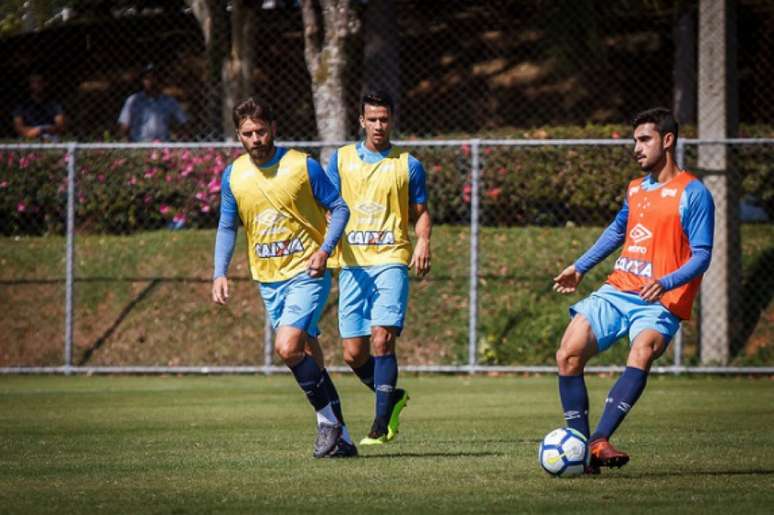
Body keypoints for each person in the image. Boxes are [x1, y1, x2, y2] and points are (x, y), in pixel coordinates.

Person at [552, 107, 715, 473]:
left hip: (659, 300)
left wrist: (666, 281)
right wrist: (579, 266)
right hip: (618, 289)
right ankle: (583, 451)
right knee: (568, 353)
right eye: (635, 140)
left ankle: (599, 440)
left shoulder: (694, 193)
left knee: (642, 351)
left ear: (667, 141)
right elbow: (616, 231)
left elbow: (702, 255)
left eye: (645, 140)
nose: (636, 148)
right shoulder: (636, 189)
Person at [212, 97, 355, 458]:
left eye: (261, 130)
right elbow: (228, 226)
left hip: (307, 273)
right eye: (248, 133)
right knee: (308, 353)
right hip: (268, 279)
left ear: (273, 128)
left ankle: (327, 422)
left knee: (287, 347)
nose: (256, 138)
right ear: (238, 136)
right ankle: (344, 439)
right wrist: (220, 272)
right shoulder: (234, 175)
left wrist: (324, 250)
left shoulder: (301, 166)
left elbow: (339, 207)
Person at [325, 90, 432, 446]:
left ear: (392, 120)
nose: (378, 126)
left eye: (384, 119)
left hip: (390, 260)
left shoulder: (407, 164)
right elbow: (330, 208)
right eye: (372, 119)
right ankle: (393, 396)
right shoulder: (340, 161)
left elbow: (420, 213)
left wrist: (423, 242)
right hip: (352, 265)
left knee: (382, 339)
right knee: (353, 354)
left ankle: (381, 421)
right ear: (361, 121)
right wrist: (325, 247)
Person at [118, 64, 188, 142]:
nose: (150, 81)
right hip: (139, 146)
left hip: (163, 147)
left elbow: (184, 122)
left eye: (154, 77)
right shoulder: (133, 100)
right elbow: (124, 126)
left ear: (160, 80)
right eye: (147, 78)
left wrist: (179, 140)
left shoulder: (169, 101)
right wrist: (128, 145)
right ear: (142, 80)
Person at [13, 73, 66, 141]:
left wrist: (42, 130)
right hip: (28, 135)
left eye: (39, 82)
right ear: (29, 85)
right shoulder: (22, 105)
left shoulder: (54, 104)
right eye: (33, 82)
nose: (37, 85)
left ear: (45, 84)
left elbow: (60, 126)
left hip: (49, 135)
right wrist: (32, 132)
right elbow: (18, 127)